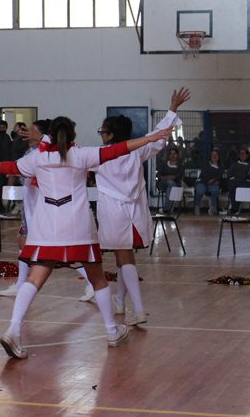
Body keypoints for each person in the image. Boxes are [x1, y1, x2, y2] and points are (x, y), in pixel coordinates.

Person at [0, 116, 172, 359]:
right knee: (97, 279)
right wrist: (150, 138)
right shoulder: (81, 155)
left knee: (34, 279)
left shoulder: (37, 158)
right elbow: (119, 149)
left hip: (46, 228)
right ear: (73, 135)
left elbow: (10, 167)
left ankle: (13, 330)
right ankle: (112, 331)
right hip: (78, 227)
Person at [96, 87, 189, 326]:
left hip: (114, 215)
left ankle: (138, 310)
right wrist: (172, 109)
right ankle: (120, 301)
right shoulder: (138, 150)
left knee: (125, 257)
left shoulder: (99, 155)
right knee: (123, 256)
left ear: (110, 135)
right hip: (134, 213)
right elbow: (159, 135)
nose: (100, 135)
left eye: (102, 131)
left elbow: (69, 159)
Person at [0, 119, 49, 298]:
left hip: (41, 206)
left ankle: (91, 282)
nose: (28, 134)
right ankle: (20, 284)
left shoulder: (44, 153)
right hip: (30, 203)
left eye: (32, 130)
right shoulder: (31, 152)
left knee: (61, 250)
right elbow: (18, 168)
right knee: (22, 239)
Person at [224, 147, 250, 214]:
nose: (242, 155)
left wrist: (247, 177)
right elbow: (229, 174)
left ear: (247, 155)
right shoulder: (234, 164)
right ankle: (235, 207)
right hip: (235, 183)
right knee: (233, 187)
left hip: (245, 185)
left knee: (236, 188)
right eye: (240, 153)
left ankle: (235, 208)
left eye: (243, 153)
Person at [193, 148, 224, 216]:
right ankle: (197, 206)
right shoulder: (206, 164)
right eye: (213, 155)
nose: (214, 156)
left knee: (215, 189)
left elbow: (219, 177)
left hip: (213, 184)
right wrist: (212, 180)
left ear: (218, 156)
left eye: (216, 155)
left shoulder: (221, 167)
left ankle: (212, 207)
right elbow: (204, 174)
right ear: (210, 156)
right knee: (200, 191)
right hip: (202, 182)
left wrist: (214, 180)